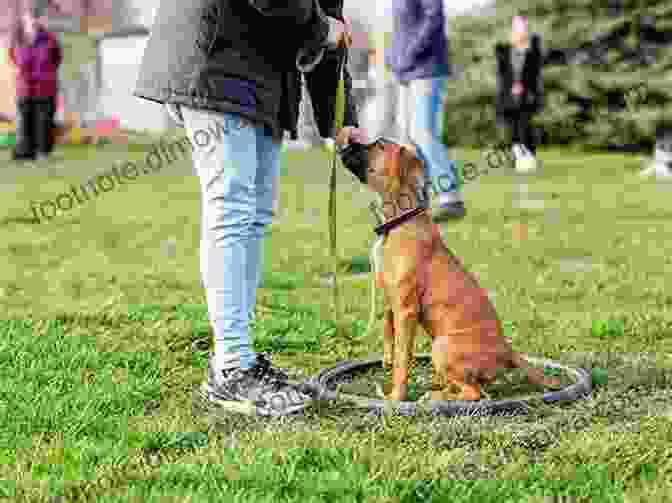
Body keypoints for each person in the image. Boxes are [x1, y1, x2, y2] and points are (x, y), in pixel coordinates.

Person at [134, 0, 364, 417]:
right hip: (217, 56)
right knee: (233, 208)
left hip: (260, 72)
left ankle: (240, 359)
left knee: (253, 214)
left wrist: (340, 116)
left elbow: (328, 20)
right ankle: (231, 367)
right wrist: (318, 26)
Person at [386, 0, 467, 221]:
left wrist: (409, 54)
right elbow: (402, 27)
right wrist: (392, 56)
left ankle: (451, 197)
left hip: (426, 68)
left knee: (423, 132)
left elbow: (433, 20)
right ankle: (417, 198)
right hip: (405, 71)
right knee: (407, 135)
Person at [8, 4, 62, 162]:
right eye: (28, 19)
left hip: (45, 86)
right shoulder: (17, 39)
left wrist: (47, 74)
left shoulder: (49, 38)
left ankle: (43, 152)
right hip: (25, 87)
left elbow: (57, 58)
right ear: (24, 21)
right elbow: (13, 58)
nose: (32, 22)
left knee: (44, 120)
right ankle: (27, 151)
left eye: (34, 19)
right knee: (26, 121)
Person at [495, 15, 545, 172]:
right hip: (509, 97)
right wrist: (512, 86)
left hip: (527, 96)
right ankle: (517, 158)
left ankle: (528, 158)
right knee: (513, 129)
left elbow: (534, 71)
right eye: (516, 27)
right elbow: (503, 74)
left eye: (523, 27)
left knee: (526, 126)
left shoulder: (533, 50)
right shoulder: (504, 51)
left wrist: (523, 86)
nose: (520, 31)